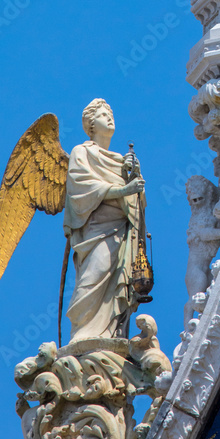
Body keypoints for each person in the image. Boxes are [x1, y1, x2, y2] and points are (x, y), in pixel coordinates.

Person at [63, 99, 145, 341]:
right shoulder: (82, 152)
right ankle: (84, 334)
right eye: (102, 114)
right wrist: (123, 190)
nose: (109, 118)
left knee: (117, 285)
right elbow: (82, 189)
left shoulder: (122, 160)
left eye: (110, 113)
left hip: (121, 231)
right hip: (96, 232)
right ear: (90, 125)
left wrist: (135, 176)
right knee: (92, 280)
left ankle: (112, 334)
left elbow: (138, 203)